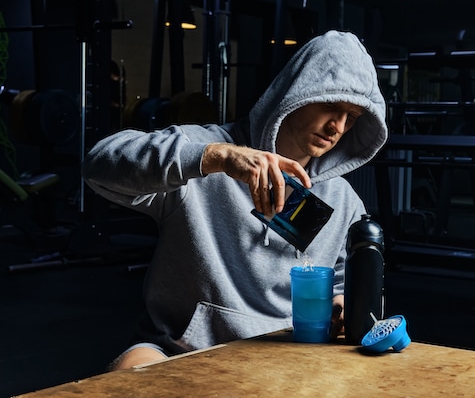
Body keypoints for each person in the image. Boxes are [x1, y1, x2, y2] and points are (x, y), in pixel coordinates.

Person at [82, 30, 389, 370]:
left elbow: (345, 284)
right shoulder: (203, 152)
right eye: (331, 105)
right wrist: (217, 158)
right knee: (130, 370)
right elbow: (99, 163)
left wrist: (343, 305)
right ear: (299, 92)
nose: (338, 126)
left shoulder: (343, 201)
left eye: (352, 118)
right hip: (183, 349)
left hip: (286, 356)